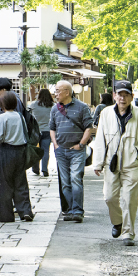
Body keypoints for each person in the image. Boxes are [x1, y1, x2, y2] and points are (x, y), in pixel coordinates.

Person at [91, 84, 138, 244]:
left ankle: (128, 233)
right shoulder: (106, 113)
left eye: (126, 95)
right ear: (114, 96)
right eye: (120, 94)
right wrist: (98, 162)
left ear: (132, 97)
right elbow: (100, 139)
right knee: (109, 197)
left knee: (129, 199)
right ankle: (118, 221)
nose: (123, 98)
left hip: (132, 163)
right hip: (111, 163)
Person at [49, 80, 96, 222]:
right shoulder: (54, 109)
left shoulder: (82, 107)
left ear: (67, 92)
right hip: (61, 150)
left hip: (76, 150)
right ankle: (69, 210)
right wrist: (55, 145)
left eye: (58, 90)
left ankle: (77, 210)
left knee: (76, 178)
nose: (55, 93)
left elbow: (89, 127)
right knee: (65, 182)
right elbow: (52, 128)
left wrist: (81, 144)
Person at [0, 91, 35, 222]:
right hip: (20, 151)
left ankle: (6, 215)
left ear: (2, 104)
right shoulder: (19, 116)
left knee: (5, 183)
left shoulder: (2, 118)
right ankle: (25, 211)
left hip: (6, 151)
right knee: (21, 181)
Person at [29, 88, 55, 177]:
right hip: (48, 131)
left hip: (36, 131)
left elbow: (28, 116)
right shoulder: (53, 106)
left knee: (36, 150)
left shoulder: (33, 105)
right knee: (45, 151)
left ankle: (35, 169)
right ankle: (45, 169)